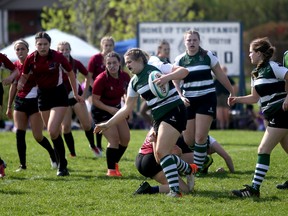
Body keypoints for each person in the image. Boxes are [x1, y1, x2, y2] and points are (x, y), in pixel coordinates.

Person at [94, 48, 197, 197]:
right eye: (126, 63)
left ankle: (175, 191)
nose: (127, 65)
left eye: (129, 62)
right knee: (159, 156)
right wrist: (107, 124)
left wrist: (167, 78)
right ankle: (188, 169)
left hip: (174, 110)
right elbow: (126, 110)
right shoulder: (134, 83)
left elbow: (184, 71)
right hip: (158, 117)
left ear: (140, 60)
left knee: (162, 151)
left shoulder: (156, 65)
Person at [229, 37, 288, 198]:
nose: (249, 55)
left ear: (259, 53)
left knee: (263, 149)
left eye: (251, 52)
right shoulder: (256, 73)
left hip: (281, 113)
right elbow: (255, 98)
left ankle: (254, 189)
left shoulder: (273, 67)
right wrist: (237, 99)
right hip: (272, 114)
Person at [17, 31, 82, 176]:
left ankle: (62, 166)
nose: (42, 47)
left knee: (53, 130)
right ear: (35, 45)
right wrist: (21, 83)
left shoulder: (57, 57)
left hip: (59, 94)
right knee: (53, 133)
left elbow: (71, 73)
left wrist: (76, 93)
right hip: (42, 96)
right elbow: (25, 75)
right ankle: (61, 161)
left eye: (45, 44)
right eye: (39, 44)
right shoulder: (30, 58)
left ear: (49, 45)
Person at [173, 29, 235, 171]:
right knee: (189, 140)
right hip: (188, 101)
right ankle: (205, 158)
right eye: (189, 40)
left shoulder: (208, 56)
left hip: (206, 98)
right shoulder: (180, 60)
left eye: (194, 40)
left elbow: (220, 75)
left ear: (199, 41)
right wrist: (180, 96)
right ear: (185, 42)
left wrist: (231, 91)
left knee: (200, 137)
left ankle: (198, 168)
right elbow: (176, 82)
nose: (192, 42)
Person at [5, 39, 57, 171]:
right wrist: (8, 106)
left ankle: (52, 153)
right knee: (19, 134)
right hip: (20, 102)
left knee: (38, 136)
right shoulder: (15, 66)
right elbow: (13, 86)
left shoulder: (34, 63)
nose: (20, 51)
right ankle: (22, 165)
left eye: (23, 48)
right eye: (18, 49)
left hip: (35, 103)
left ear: (28, 50)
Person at [57, 41, 100, 157]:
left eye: (67, 49)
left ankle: (93, 145)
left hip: (76, 96)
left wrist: (84, 94)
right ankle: (72, 153)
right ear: (58, 51)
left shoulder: (75, 63)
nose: (64, 52)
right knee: (65, 127)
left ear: (70, 50)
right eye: (62, 50)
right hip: (62, 98)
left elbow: (88, 76)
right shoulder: (55, 63)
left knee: (86, 125)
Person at [91, 51, 130, 176]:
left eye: (114, 63)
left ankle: (114, 163)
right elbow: (95, 101)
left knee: (125, 139)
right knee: (114, 139)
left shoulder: (125, 76)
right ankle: (111, 171)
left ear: (119, 63)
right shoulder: (101, 79)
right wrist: (110, 109)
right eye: (109, 63)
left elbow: (126, 93)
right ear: (105, 65)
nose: (112, 65)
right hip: (101, 111)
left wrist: (126, 105)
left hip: (117, 110)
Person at [134, 129, 195, 195]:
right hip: (151, 160)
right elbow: (159, 157)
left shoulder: (159, 125)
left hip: (140, 158)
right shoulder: (166, 126)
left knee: (182, 188)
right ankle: (149, 190)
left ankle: (187, 169)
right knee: (184, 189)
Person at [88, 36, 115, 154]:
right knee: (97, 118)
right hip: (97, 94)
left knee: (108, 118)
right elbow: (89, 77)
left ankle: (109, 144)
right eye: (106, 45)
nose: (108, 48)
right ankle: (96, 145)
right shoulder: (95, 58)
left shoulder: (115, 59)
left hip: (110, 93)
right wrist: (96, 90)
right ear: (102, 46)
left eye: (110, 45)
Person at [139, 40, 171, 128]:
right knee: (142, 111)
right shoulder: (154, 61)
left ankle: (159, 126)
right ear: (159, 50)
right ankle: (155, 126)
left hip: (163, 92)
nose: (167, 51)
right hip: (154, 91)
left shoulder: (168, 62)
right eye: (165, 49)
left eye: (168, 49)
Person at [214, 65, 236, 130]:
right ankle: (221, 127)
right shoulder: (217, 79)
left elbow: (234, 86)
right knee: (219, 113)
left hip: (226, 96)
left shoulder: (228, 79)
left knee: (226, 113)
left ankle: (227, 126)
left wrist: (233, 94)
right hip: (218, 97)